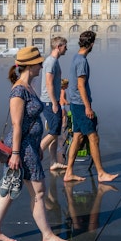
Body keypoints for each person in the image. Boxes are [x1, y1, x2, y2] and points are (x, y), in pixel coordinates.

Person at [0, 46, 71, 241]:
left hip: (29, 145)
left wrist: (36, 145)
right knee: (38, 191)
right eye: (39, 63)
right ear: (30, 65)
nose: (42, 66)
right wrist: (16, 153)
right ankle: (47, 235)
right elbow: (16, 125)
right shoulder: (18, 91)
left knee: (9, 188)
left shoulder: (28, 87)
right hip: (21, 147)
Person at [64, 30, 118, 184]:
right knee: (93, 137)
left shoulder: (76, 57)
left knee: (77, 137)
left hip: (75, 103)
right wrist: (88, 107)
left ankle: (68, 172)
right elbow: (81, 85)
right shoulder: (82, 61)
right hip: (81, 104)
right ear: (92, 44)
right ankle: (101, 173)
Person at [39, 37, 68, 171]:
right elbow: (49, 83)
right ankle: (36, 154)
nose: (66, 49)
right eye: (65, 46)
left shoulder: (54, 61)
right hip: (50, 101)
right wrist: (54, 102)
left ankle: (53, 162)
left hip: (51, 100)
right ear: (58, 46)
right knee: (54, 131)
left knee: (55, 134)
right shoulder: (51, 62)